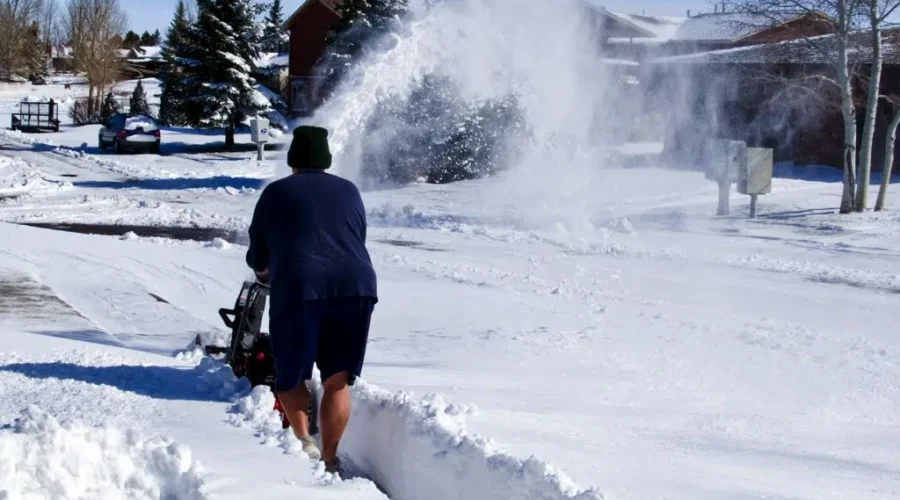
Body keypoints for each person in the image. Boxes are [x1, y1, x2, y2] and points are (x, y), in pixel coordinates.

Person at [245, 125, 377, 475]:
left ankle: (304, 442)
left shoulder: (275, 193)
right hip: (356, 287)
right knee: (337, 378)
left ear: (293, 161)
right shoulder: (349, 191)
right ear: (326, 159)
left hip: (300, 289)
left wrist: (263, 271)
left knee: (292, 377)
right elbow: (357, 236)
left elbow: (258, 253)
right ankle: (330, 459)